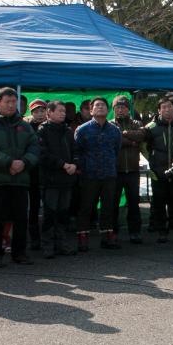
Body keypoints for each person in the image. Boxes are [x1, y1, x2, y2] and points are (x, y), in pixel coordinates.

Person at [0, 86, 41, 267]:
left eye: (15, 102)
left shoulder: (25, 126)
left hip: (20, 179)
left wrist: (24, 162)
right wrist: (10, 163)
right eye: (8, 102)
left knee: (21, 218)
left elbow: (35, 148)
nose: (12, 105)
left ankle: (19, 253)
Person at [73, 95, 123, 251]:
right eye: (97, 105)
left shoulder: (115, 130)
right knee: (86, 207)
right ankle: (83, 237)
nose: (100, 107)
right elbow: (77, 151)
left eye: (103, 105)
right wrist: (83, 167)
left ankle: (107, 236)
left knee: (108, 206)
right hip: (89, 174)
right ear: (91, 110)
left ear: (108, 110)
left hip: (109, 174)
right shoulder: (82, 130)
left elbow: (117, 149)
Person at [36, 100, 79, 258]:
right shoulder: (42, 131)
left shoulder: (68, 131)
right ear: (50, 112)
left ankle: (61, 243)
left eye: (64, 111)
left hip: (67, 180)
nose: (63, 113)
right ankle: (47, 245)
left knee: (63, 213)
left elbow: (76, 150)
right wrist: (62, 165)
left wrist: (74, 164)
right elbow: (42, 154)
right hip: (51, 180)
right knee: (49, 213)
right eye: (59, 111)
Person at [144, 97, 173, 243]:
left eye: (169, 107)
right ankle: (161, 231)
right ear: (159, 110)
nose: (167, 109)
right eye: (163, 107)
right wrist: (152, 162)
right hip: (158, 173)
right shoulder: (150, 127)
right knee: (159, 203)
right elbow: (144, 147)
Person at [112, 96, 148, 244]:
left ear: (128, 109)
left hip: (133, 170)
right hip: (115, 171)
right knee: (113, 202)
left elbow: (142, 135)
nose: (121, 110)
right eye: (118, 107)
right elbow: (115, 140)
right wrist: (131, 141)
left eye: (124, 107)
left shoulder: (136, 123)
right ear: (113, 109)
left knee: (134, 202)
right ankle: (112, 232)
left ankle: (135, 231)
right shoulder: (110, 125)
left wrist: (126, 134)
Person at [26, 98, 48, 249]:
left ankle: (47, 238)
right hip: (31, 174)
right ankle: (34, 238)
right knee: (33, 208)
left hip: (48, 174)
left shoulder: (51, 126)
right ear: (31, 113)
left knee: (49, 208)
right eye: (36, 111)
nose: (39, 114)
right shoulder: (26, 127)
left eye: (42, 110)